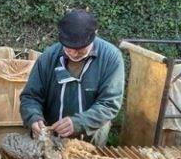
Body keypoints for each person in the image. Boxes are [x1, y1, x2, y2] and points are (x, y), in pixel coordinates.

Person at [19, 9, 124, 145]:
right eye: (68, 48)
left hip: (91, 140)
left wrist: (79, 123)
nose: (74, 53)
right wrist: (33, 117)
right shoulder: (49, 57)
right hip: (51, 138)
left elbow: (109, 103)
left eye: (80, 49)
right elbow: (30, 97)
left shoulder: (111, 57)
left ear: (94, 35)